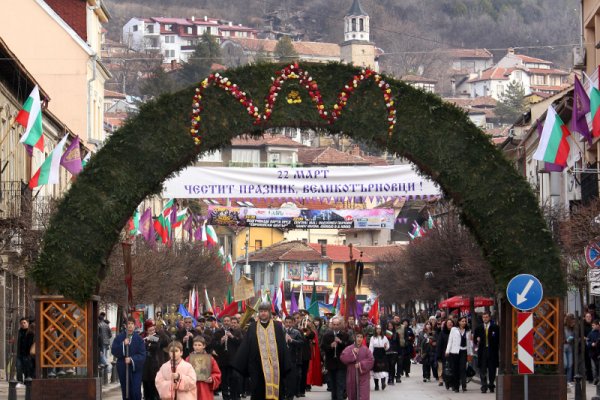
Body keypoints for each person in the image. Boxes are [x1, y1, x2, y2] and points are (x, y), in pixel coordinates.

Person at [233, 302, 290, 400]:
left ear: (269, 312)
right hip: (257, 366)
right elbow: (246, 346)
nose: (263, 313)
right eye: (261, 311)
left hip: (275, 366)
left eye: (265, 311)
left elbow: (282, 346)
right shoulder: (253, 327)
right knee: (258, 390)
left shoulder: (277, 326)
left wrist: (285, 363)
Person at [111, 316, 146, 400]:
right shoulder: (119, 337)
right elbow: (114, 351)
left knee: (135, 389)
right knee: (126, 390)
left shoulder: (139, 339)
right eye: (128, 323)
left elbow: (142, 355)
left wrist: (132, 359)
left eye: (132, 324)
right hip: (123, 367)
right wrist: (122, 344)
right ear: (125, 325)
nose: (130, 326)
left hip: (135, 368)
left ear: (134, 325)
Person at [321, 317, 352, 400]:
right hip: (331, 363)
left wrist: (341, 342)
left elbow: (349, 347)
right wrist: (330, 346)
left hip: (341, 364)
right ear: (331, 325)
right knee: (333, 385)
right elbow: (323, 347)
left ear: (340, 325)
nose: (336, 326)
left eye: (337, 324)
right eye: (334, 324)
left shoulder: (345, 335)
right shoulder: (327, 335)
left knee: (340, 384)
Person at [214, 316, 242, 400]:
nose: (226, 322)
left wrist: (232, 337)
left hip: (233, 359)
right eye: (225, 321)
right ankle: (225, 397)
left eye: (228, 321)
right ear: (222, 322)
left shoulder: (236, 331)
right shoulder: (218, 332)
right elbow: (215, 346)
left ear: (230, 322)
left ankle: (234, 396)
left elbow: (240, 343)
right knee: (224, 380)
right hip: (223, 359)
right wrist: (221, 342)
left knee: (234, 377)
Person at [340, 332, 374, 400]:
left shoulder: (366, 350)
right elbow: (343, 358)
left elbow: (371, 360)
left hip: (363, 376)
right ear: (354, 338)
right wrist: (352, 353)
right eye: (357, 337)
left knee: (364, 396)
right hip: (352, 375)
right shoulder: (349, 348)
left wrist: (361, 364)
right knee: (352, 395)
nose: (359, 339)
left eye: (361, 337)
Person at [142, 320, 170, 400]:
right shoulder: (142, 336)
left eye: (153, 329)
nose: (152, 331)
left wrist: (149, 339)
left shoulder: (159, 336)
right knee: (146, 387)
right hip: (145, 366)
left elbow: (162, 343)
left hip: (156, 365)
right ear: (146, 330)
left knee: (155, 387)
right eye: (149, 330)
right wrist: (147, 342)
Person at [187, 336, 221, 400]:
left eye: (199, 345)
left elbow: (217, 373)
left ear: (204, 346)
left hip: (205, 388)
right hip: (192, 388)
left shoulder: (210, 359)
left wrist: (212, 378)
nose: (197, 347)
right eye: (195, 345)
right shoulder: (188, 359)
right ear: (193, 346)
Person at [473, 311, 500, 393]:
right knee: (482, 369)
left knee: (492, 369)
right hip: (483, 351)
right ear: (482, 318)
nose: (485, 318)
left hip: (492, 351)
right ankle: (484, 386)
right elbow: (474, 340)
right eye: (483, 317)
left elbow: (498, 339)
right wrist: (477, 340)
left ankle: (491, 384)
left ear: (489, 317)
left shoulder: (495, 327)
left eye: (486, 317)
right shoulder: (479, 328)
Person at [445, 316, 473, 393]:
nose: (464, 322)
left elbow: (469, 343)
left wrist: (470, 353)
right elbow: (450, 340)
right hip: (455, 352)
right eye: (462, 321)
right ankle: (456, 386)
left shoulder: (468, 331)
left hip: (464, 351)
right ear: (459, 322)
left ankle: (464, 386)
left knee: (463, 369)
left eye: (465, 321)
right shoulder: (454, 329)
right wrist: (447, 350)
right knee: (455, 369)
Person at [283, 315, 304, 399]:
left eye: (290, 323)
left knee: (291, 378)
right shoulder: (280, 331)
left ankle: (290, 396)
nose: (288, 324)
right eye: (286, 322)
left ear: (293, 323)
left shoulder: (296, 332)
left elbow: (301, 343)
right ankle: (283, 394)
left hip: (292, 358)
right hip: (282, 358)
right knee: (283, 378)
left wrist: (292, 340)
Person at [368, 325, 389, 391]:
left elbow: (387, 346)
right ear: (375, 330)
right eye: (377, 329)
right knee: (376, 369)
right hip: (376, 353)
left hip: (382, 353)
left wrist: (386, 346)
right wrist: (370, 355)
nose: (378, 330)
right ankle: (376, 385)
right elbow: (371, 347)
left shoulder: (384, 337)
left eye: (380, 329)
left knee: (383, 368)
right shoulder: (372, 338)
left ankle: (383, 383)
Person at [16, 317, 34, 386]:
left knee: (27, 368)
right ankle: (19, 381)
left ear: (28, 323)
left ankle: (27, 381)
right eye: (21, 323)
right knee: (19, 368)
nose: (23, 324)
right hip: (20, 354)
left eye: (24, 323)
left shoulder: (30, 332)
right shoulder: (19, 332)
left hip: (28, 354)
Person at [384, 321, 399, 386]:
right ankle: (388, 378)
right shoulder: (385, 334)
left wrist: (399, 353)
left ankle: (391, 379)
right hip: (387, 351)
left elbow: (398, 343)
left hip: (394, 351)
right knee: (388, 366)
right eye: (389, 326)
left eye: (391, 326)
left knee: (392, 365)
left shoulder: (396, 334)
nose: (390, 327)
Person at [98, 312, 112, 378]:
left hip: (101, 342)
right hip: (107, 342)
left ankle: (109, 368)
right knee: (105, 355)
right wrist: (107, 338)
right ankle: (106, 370)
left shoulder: (99, 325)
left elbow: (98, 335)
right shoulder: (107, 325)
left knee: (102, 355)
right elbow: (110, 334)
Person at [564, 313, 576, 383]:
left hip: (570, 347)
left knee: (570, 364)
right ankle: (564, 380)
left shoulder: (572, 328)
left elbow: (575, 336)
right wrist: (565, 340)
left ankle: (569, 381)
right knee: (565, 364)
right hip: (564, 346)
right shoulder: (564, 327)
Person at [587, 320, 600, 385]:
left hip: (598, 353)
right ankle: (595, 379)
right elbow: (587, 342)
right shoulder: (590, 333)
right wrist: (591, 344)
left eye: (593, 325)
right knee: (594, 367)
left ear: (598, 325)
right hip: (592, 353)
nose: (592, 326)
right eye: (592, 325)